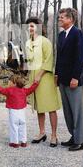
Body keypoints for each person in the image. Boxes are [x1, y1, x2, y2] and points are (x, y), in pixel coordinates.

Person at [25, 17, 62, 147]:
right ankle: (42, 132)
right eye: (28, 26)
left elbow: (49, 60)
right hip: (33, 77)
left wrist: (39, 75)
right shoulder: (28, 43)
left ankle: (54, 135)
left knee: (50, 107)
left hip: (45, 78)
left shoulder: (45, 42)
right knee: (39, 107)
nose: (30, 28)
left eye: (32, 26)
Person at [55, 8, 83, 151]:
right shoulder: (61, 35)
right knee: (68, 111)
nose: (59, 19)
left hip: (74, 80)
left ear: (70, 19)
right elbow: (59, 57)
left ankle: (81, 141)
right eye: (59, 17)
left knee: (77, 111)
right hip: (62, 79)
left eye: (62, 17)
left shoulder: (78, 34)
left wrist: (75, 77)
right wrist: (56, 74)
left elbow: (80, 58)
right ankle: (74, 137)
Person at [0, 74, 39, 148]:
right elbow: (31, 89)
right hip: (22, 112)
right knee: (22, 127)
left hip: (13, 112)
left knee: (14, 127)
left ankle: (15, 142)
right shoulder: (24, 90)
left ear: (13, 82)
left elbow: (2, 90)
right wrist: (36, 83)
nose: (8, 83)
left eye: (9, 81)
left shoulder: (9, 90)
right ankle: (23, 142)